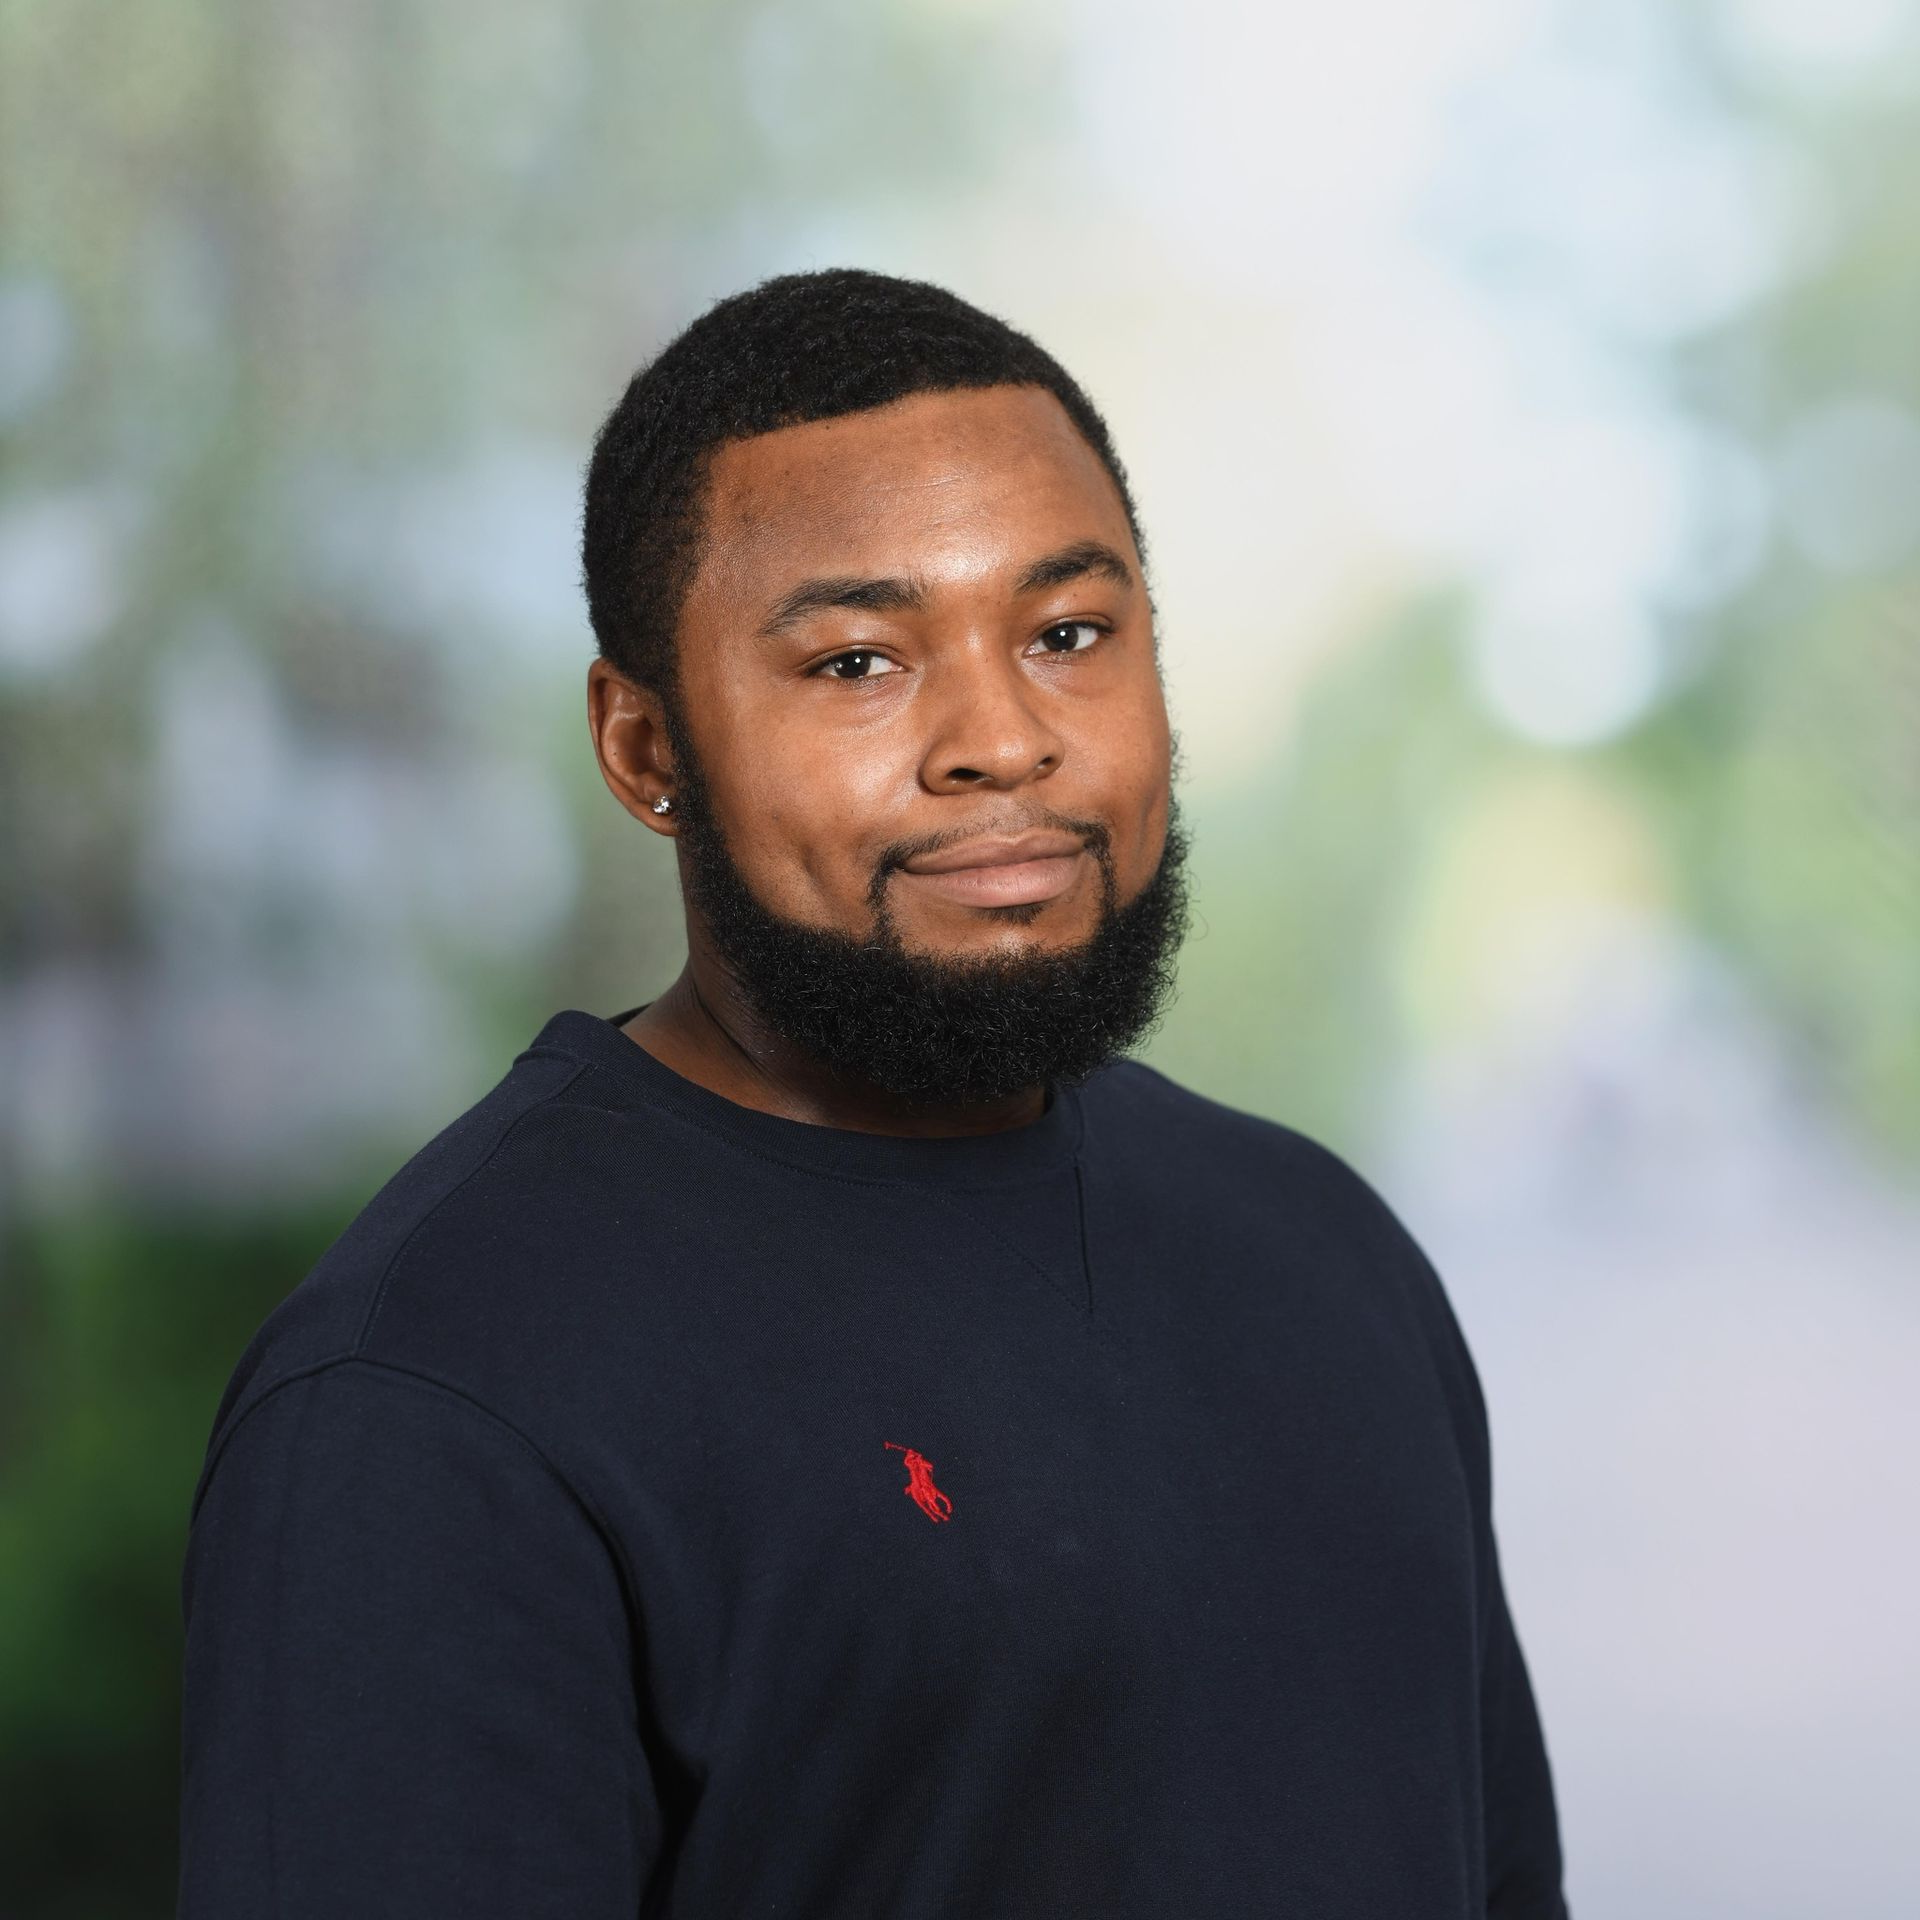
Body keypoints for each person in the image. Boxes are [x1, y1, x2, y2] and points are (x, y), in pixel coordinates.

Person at [175, 267, 1571, 1918]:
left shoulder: (1325, 1251)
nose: (1001, 739)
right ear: (645, 749)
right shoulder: (434, 1395)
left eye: (1067, 635)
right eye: (856, 662)